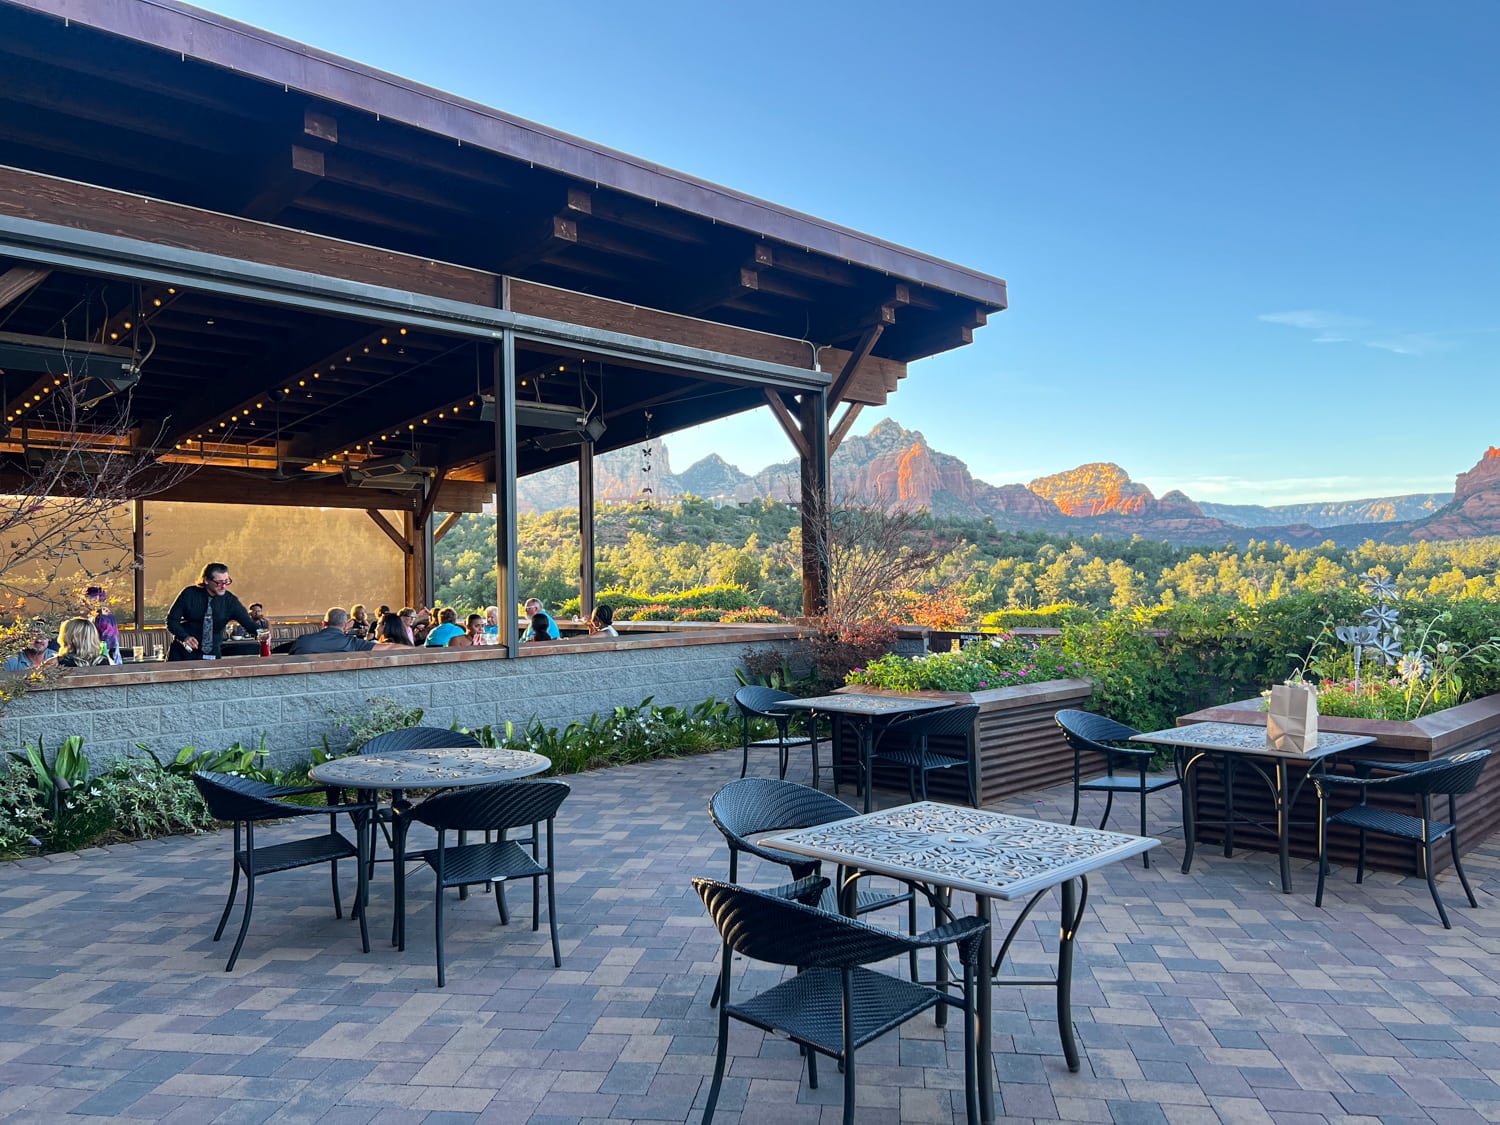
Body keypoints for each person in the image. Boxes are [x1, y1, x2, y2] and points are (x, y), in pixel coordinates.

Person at [166, 563, 259, 661]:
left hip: (211, 656)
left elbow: (249, 624)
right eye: (219, 582)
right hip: (183, 654)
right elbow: (172, 621)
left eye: (226, 582)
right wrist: (185, 637)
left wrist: (263, 634)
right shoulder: (189, 594)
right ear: (206, 580)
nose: (223, 586)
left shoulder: (230, 601)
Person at [289, 608, 378, 655]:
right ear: (345, 626)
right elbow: (387, 648)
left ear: (324, 624)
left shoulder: (303, 641)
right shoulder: (354, 644)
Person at [85, 586, 122, 664]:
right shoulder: (99, 615)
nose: (85, 602)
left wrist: (104, 657)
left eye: (87, 598)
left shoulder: (103, 617)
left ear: (96, 599)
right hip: (105, 657)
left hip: (104, 659)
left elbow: (109, 640)